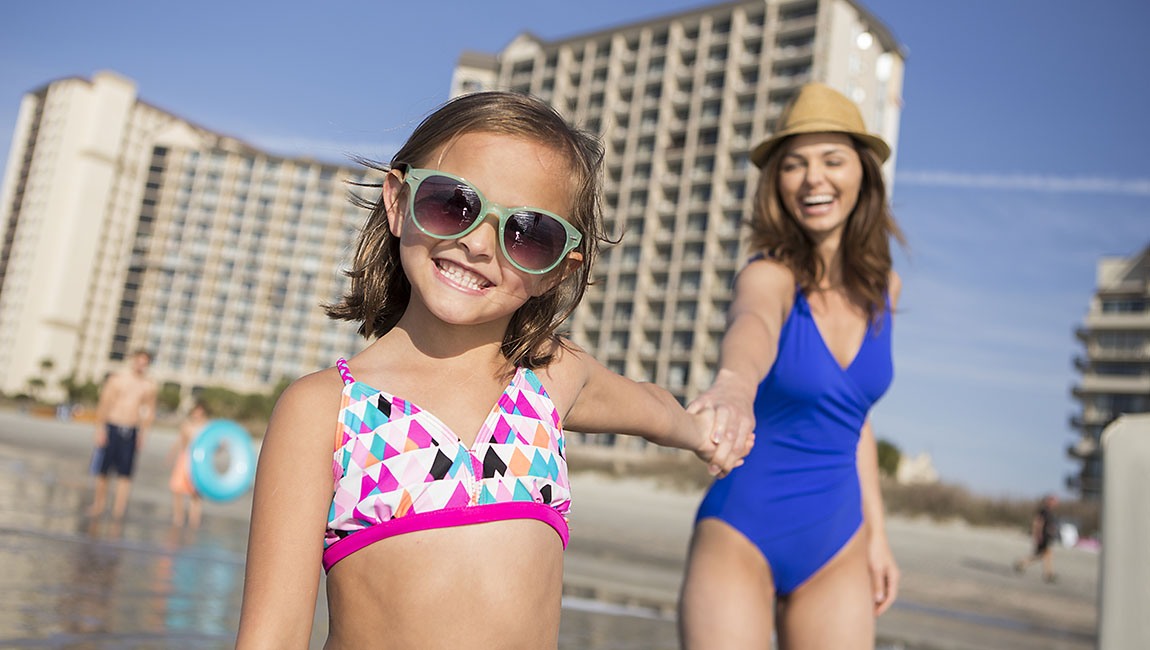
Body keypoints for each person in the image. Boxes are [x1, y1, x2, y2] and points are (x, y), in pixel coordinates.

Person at [235, 91, 749, 649]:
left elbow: (650, 406)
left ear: (557, 268)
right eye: (453, 203)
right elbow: (273, 635)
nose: (478, 243)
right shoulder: (325, 409)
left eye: (528, 233)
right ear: (398, 201)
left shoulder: (549, 378)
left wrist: (707, 433)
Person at [679, 83, 905, 649]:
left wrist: (877, 536)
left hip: (838, 540)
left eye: (832, 160)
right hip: (743, 527)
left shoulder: (885, 290)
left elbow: (853, 418)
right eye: (795, 164)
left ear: (863, 175)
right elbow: (751, 326)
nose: (813, 179)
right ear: (776, 180)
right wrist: (734, 382)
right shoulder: (768, 274)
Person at [88, 349, 158, 520]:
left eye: (145, 363)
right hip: (112, 425)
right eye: (139, 361)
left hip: (131, 429)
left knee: (125, 473)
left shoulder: (149, 385)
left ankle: (119, 509)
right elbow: (104, 404)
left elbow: (149, 412)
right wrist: (100, 430)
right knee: (104, 471)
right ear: (133, 360)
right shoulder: (117, 380)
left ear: (148, 365)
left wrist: (143, 435)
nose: (141, 365)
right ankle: (99, 505)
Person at [168, 402, 208, 528]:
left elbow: (211, 444)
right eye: (195, 411)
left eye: (199, 411)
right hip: (185, 457)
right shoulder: (186, 425)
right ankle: (178, 516)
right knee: (177, 488)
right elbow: (180, 441)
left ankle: (194, 519)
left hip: (198, 460)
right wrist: (171, 454)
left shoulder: (207, 426)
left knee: (195, 492)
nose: (196, 414)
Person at [1015, 494, 1059, 582]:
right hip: (1042, 537)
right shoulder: (1043, 511)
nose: (1055, 503)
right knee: (1042, 555)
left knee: (1045, 555)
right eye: (1053, 501)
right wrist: (1037, 535)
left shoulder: (1050, 512)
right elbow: (1038, 523)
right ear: (1048, 501)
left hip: (1047, 537)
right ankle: (1047, 574)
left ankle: (1023, 564)